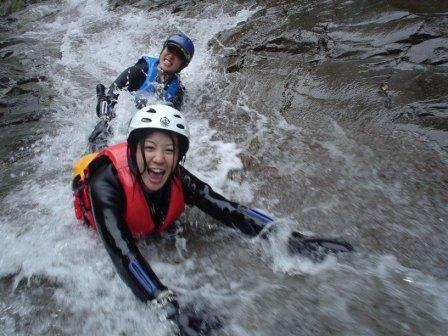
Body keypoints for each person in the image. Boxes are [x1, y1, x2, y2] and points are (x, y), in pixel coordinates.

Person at [73, 105, 352, 335]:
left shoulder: (178, 179)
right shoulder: (105, 182)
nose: (159, 160)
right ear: (135, 149)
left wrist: (288, 238)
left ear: (179, 156)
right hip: (97, 182)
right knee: (95, 148)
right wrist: (166, 304)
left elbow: (228, 209)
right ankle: (101, 124)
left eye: (169, 150)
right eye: (149, 148)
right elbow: (122, 251)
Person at [96, 32, 194, 120]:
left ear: (183, 65)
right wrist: (105, 119)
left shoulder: (178, 92)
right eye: (170, 49)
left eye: (178, 55)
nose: (171, 56)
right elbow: (110, 97)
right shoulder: (140, 71)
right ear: (163, 50)